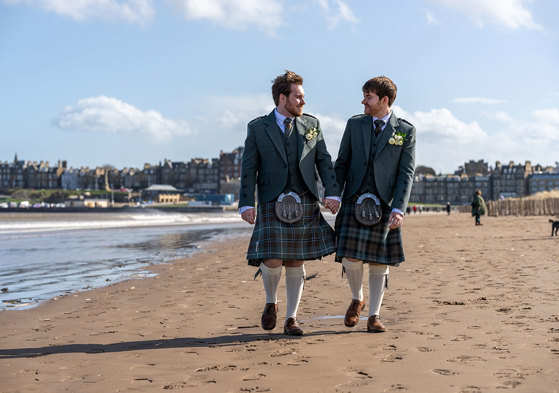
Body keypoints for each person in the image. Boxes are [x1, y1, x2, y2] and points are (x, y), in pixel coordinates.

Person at [239, 70, 341, 336]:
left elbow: (324, 161)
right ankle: (271, 303)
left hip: (305, 198)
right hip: (272, 200)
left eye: (303, 97)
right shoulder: (258, 127)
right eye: (298, 97)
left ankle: (291, 319)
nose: (303, 102)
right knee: (272, 259)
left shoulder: (312, 125)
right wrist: (246, 203)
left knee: (296, 261)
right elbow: (249, 168)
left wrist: (333, 192)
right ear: (282, 98)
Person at [334, 76, 415, 333]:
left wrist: (399, 208)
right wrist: (334, 194)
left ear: (384, 100)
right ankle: (358, 297)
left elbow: (406, 173)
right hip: (353, 198)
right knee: (350, 257)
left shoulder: (404, 131)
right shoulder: (354, 125)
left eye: (368, 97)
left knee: (380, 263)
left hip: (383, 203)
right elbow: (342, 163)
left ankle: (374, 315)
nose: (363, 101)